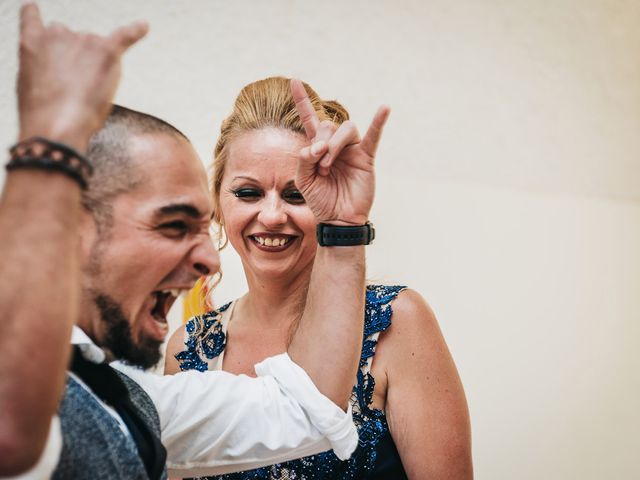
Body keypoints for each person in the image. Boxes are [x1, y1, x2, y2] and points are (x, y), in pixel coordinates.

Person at [0, 4, 389, 479]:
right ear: (73, 228)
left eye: (203, 226)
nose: (209, 259)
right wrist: (49, 145)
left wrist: (345, 227)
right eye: (173, 225)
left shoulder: (132, 401)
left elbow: (306, 409)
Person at [166, 77, 473, 479]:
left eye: (297, 195)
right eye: (247, 193)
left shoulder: (396, 322)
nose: (273, 215)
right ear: (218, 205)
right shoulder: (189, 348)